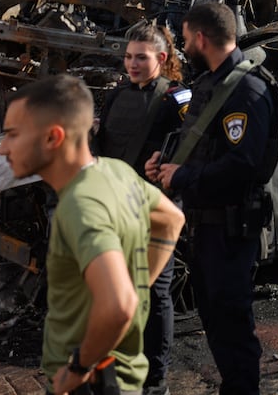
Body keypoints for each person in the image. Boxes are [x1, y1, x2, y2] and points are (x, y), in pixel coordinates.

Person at [0, 75, 185, 395]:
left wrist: (77, 368)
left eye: (14, 135)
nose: (3, 148)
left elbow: (119, 305)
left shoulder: (79, 206)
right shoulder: (116, 171)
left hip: (93, 385)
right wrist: (138, 285)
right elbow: (171, 220)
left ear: (53, 137)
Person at [145, 3, 278, 395]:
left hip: (231, 230)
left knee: (232, 324)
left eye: (186, 40)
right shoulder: (210, 83)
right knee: (215, 319)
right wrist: (166, 164)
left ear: (201, 38)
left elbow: (243, 164)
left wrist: (185, 175)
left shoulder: (247, 89)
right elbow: (203, 145)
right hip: (204, 229)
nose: (184, 47)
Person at [93, 21, 190, 395]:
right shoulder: (117, 96)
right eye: (128, 57)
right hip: (116, 209)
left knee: (154, 293)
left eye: (141, 58)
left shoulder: (177, 97)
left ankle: (156, 380)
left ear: (162, 58)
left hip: (155, 211)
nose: (132, 64)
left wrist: (166, 167)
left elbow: (191, 147)